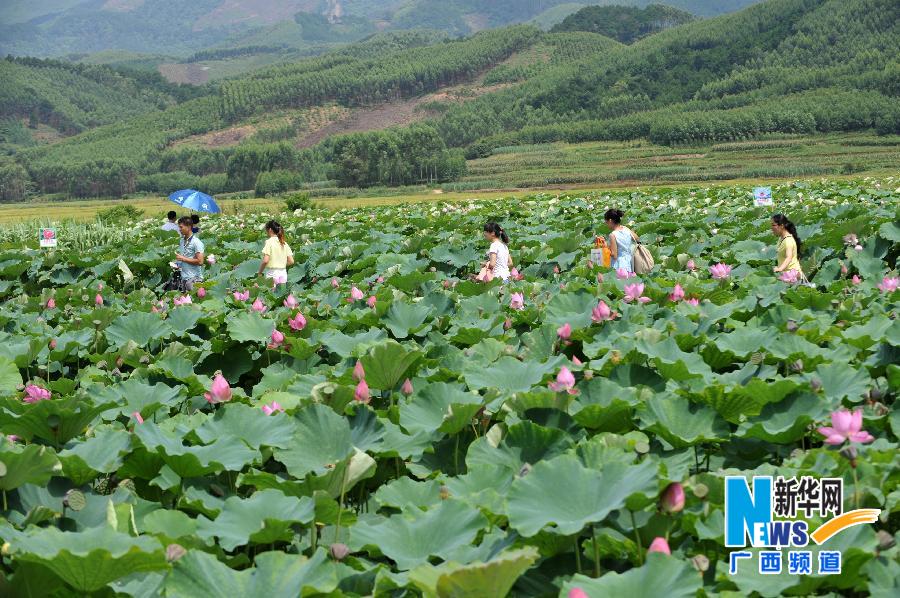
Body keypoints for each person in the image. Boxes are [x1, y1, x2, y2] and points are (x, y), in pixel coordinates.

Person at [257, 220, 294, 284]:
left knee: (272, 293)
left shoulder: (269, 242)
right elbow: (291, 261)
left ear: (270, 230)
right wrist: (280, 264)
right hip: (283, 273)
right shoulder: (284, 243)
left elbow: (265, 261)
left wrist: (260, 272)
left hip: (272, 274)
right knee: (281, 293)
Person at [175, 216, 205, 291]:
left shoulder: (196, 242)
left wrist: (183, 258)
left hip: (194, 279)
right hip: (183, 277)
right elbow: (184, 257)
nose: (180, 229)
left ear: (188, 227)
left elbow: (200, 261)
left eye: (181, 227)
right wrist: (177, 264)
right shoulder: (181, 241)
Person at [605, 209, 638, 273]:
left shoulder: (612, 235)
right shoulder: (625, 229)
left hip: (619, 264)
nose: (606, 224)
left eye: (606, 222)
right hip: (630, 262)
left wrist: (605, 247)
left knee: (620, 282)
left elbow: (614, 255)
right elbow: (636, 238)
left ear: (610, 221)